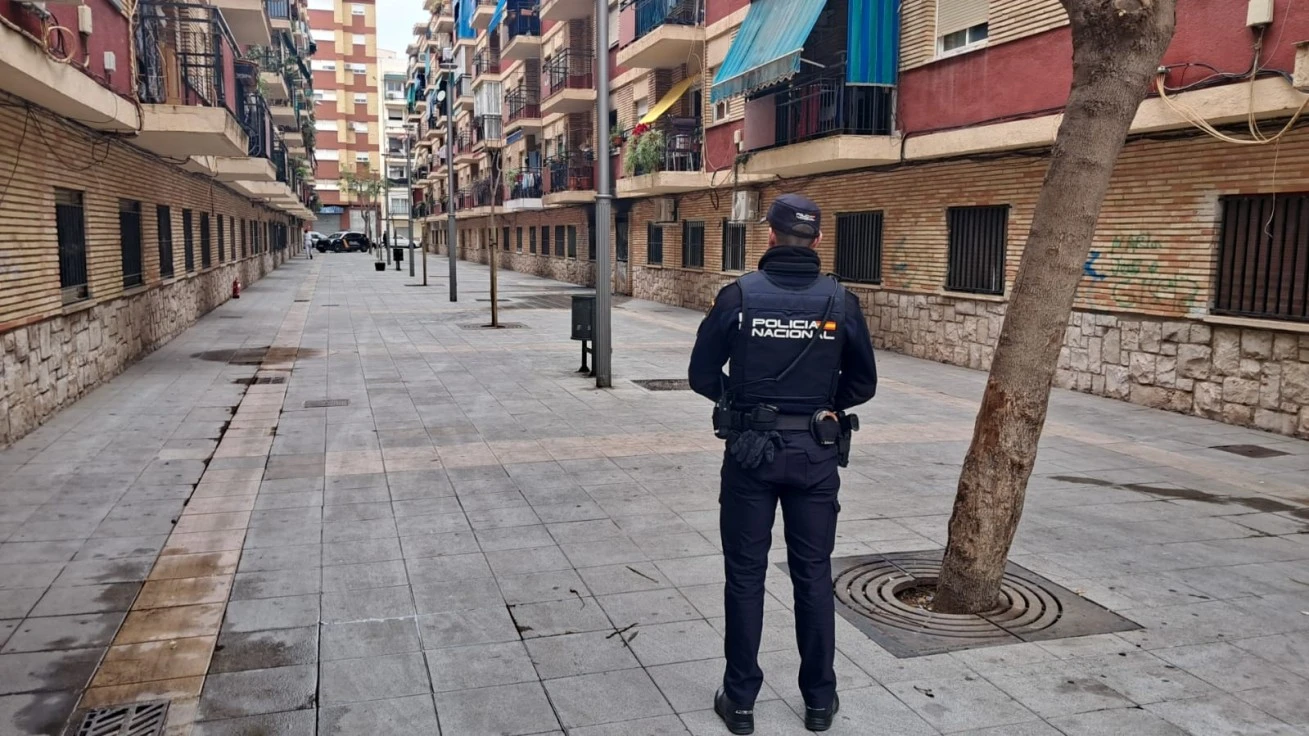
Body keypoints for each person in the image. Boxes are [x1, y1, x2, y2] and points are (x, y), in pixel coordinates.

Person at [688, 193, 878, 734]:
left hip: (750, 455)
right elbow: (863, 383)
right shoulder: (841, 302)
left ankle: (742, 701)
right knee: (813, 577)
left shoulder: (739, 297)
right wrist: (822, 408)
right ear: (817, 241)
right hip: (816, 458)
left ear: (768, 236)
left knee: (745, 576)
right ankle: (819, 701)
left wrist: (743, 405)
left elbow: (701, 374)